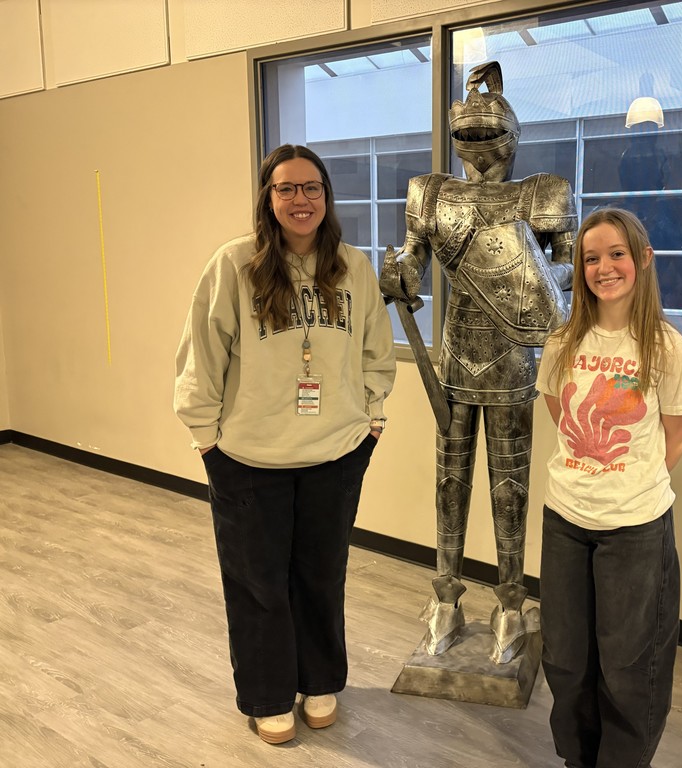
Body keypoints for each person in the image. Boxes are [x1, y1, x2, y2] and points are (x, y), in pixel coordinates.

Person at [173, 144, 396, 745]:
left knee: (322, 574)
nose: (301, 200)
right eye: (286, 189)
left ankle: (319, 680)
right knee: (258, 583)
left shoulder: (354, 267)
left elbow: (378, 351)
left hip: (337, 453)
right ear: (268, 199)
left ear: (327, 197)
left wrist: (370, 420)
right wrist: (205, 439)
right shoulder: (234, 264)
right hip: (248, 459)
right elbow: (202, 354)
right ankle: (269, 695)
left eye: (312, 188)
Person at [380, 60, 575, 663]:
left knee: (509, 484)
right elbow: (415, 259)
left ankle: (511, 601)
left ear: (511, 136)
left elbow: (563, 278)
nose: (479, 149)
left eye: (488, 136)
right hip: (456, 358)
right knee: (450, 481)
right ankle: (446, 596)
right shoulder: (431, 193)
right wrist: (402, 273)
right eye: (468, 137)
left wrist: (529, 274)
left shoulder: (543, 192)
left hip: (515, 358)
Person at [535, 207, 682, 768]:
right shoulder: (564, 341)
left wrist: (627, 483)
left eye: (616, 255)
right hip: (565, 520)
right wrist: (592, 469)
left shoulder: (665, 347)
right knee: (566, 659)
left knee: (630, 668)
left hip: (635, 528)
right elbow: (561, 414)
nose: (603, 267)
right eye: (591, 258)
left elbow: (675, 435)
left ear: (643, 259)